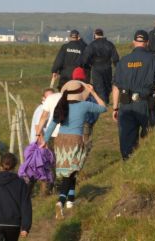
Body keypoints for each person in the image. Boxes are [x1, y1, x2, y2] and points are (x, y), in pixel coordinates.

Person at [41, 80, 107, 219]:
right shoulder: (84, 105)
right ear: (80, 94)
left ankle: (71, 200)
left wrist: (44, 141)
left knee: (69, 171)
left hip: (61, 141)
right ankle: (61, 201)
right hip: (75, 140)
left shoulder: (61, 105)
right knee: (71, 172)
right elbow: (103, 107)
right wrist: (93, 92)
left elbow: (52, 124)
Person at [112, 30, 155, 160]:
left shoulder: (123, 61)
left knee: (127, 142)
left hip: (126, 105)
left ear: (134, 42)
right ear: (147, 43)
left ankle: (128, 167)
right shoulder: (154, 59)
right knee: (151, 139)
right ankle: (148, 166)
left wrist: (115, 107)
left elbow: (116, 86)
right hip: (146, 105)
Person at [80, 28, 119, 103]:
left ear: (95, 35)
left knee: (99, 86)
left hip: (96, 67)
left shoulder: (92, 45)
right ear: (102, 34)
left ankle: (102, 102)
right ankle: (106, 100)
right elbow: (115, 58)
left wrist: (85, 65)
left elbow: (85, 58)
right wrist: (117, 67)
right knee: (107, 85)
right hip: (108, 67)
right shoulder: (109, 44)